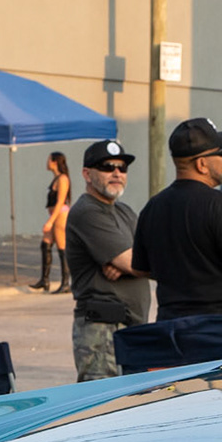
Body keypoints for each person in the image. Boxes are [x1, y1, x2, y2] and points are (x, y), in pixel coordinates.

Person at [131, 117, 222, 330]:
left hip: (173, 331)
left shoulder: (152, 207)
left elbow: (141, 269)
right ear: (201, 164)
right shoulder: (219, 204)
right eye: (220, 151)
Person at [63, 139, 149, 381]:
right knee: (105, 400)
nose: (116, 173)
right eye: (107, 167)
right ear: (87, 174)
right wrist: (130, 263)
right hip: (103, 332)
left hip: (132, 329)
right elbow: (134, 262)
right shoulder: (87, 211)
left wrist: (129, 263)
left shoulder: (125, 212)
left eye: (122, 168)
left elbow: (147, 255)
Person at [37, 151, 73, 292]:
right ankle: (44, 280)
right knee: (45, 244)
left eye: (49, 160)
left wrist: (50, 222)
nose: (47, 163)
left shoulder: (63, 179)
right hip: (55, 216)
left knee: (62, 248)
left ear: (55, 162)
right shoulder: (56, 178)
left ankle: (66, 283)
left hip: (61, 216)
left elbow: (60, 201)